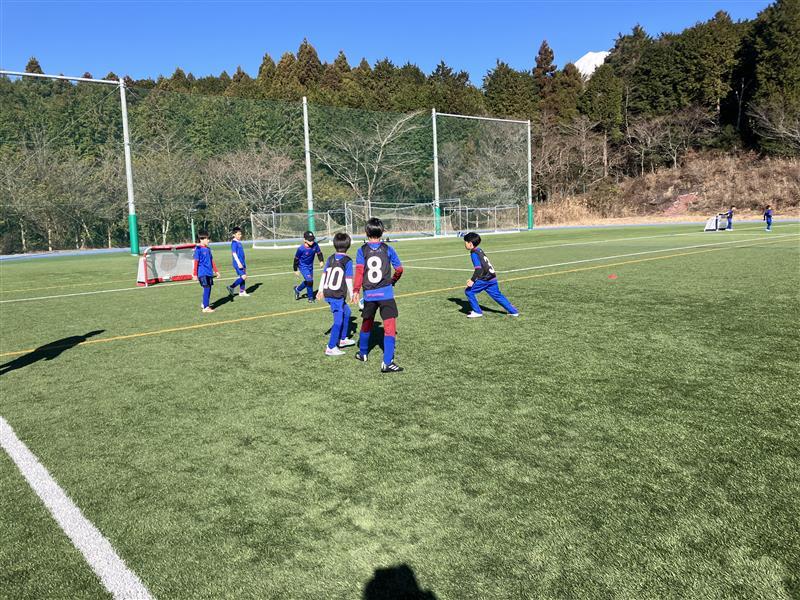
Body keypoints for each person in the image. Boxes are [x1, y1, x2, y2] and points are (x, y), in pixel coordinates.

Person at [352, 218, 404, 373]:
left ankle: (363, 353)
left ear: (366, 232)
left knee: (367, 322)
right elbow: (399, 269)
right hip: (386, 294)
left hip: (369, 294)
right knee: (390, 327)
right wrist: (393, 280)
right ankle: (387, 362)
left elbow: (359, 272)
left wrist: (356, 290)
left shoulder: (361, 250)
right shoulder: (388, 249)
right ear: (382, 232)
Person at [462, 232, 519, 318]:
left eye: (465, 242)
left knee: (469, 291)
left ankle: (477, 312)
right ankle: (513, 311)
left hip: (484, 279)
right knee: (497, 295)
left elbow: (479, 269)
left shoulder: (474, 253)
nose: (465, 244)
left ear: (470, 243)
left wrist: (472, 280)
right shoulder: (479, 250)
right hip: (492, 277)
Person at [317, 232, 357, 356]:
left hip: (329, 292)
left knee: (347, 312)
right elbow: (348, 279)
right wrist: (352, 294)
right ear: (348, 245)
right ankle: (331, 347)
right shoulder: (347, 261)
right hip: (336, 295)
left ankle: (343, 339)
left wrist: (320, 290)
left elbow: (324, 275)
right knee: (338, 321)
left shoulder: (330, 258)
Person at [192, 230, 220, 313]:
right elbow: (196, 262)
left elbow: (211, 261)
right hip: (202, 273)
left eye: (208, 239)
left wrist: (216, 271)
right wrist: (195, 274)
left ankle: (204, 303)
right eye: (207, 239)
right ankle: (205, 308)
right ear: (201, 239)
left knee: (209, 288)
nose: (208, 240)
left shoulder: (208, 249)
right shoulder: (198, 249)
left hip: (209, 273)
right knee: (207, 288)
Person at [293, 231, 324, 303]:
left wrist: (321, 261)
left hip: (310, 266)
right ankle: (310, 298)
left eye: (312, 239)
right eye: (310, 240)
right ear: (304, 240)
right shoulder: (301, 249)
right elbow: (296, 259)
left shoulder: (315, 245)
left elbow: (319, 253)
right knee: (310, 281)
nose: (312, 241)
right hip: (303, 266)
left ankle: (297, 289)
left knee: (309, 281)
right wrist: (295, 270)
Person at [226, 227, 249, 297]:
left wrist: (243, 262)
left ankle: (242, 291)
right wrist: (238, 263)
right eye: (238, 234)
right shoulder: (234, 243)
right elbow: (234, 253)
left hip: (242, 262)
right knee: (244, 276)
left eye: (240, 234)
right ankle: (231, 287)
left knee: (242, 276)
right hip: (238, 263)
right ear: (234, 235)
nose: (240, 236)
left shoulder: (239, 242)